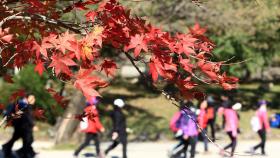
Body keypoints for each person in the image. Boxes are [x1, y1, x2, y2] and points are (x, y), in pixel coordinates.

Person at [2, 94, 36, 158]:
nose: (34, 100)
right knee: (28, 140)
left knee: (22, 139)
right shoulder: (25, 104)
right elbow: (27, 116)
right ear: (27, 98)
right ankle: (21, 153)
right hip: (23, 126)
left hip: (20, 126)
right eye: (32, 98)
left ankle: (7, 148)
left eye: (34, 98)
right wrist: (33, 125)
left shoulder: (23, 104)